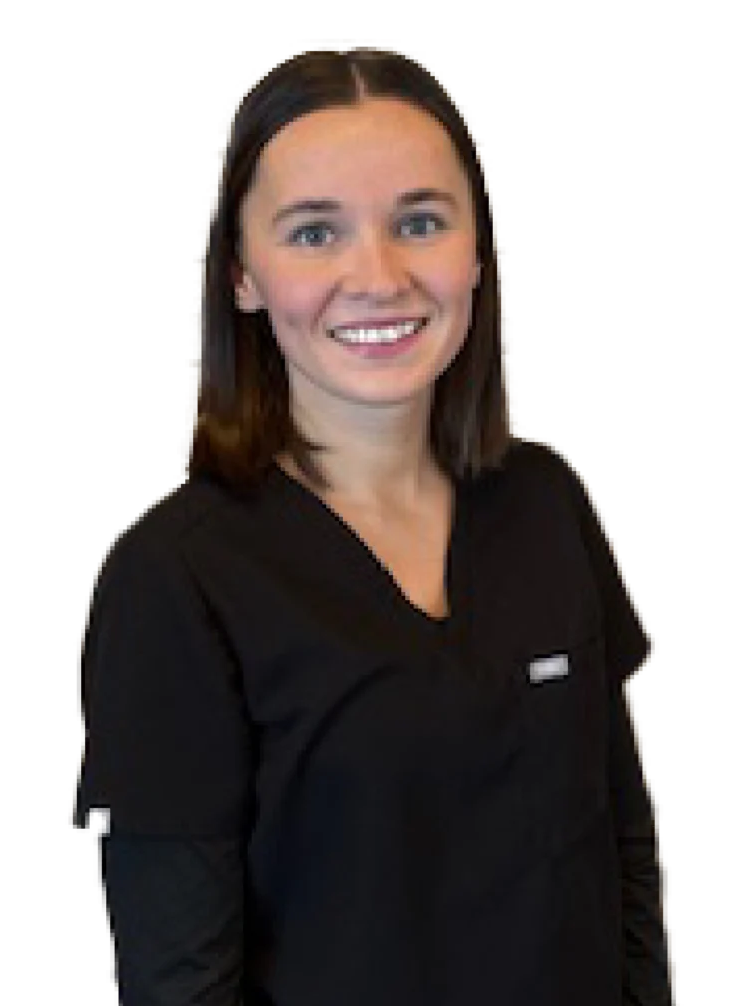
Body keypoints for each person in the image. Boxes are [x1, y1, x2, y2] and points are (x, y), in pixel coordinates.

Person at [75, 44, 673, 1005]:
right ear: (242, 274)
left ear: (476, 253)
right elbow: (178, 980)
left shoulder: (546, 503)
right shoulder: (177, 579)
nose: (379, 275)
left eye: (420, 222)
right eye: (315, 233)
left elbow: (623, 858)